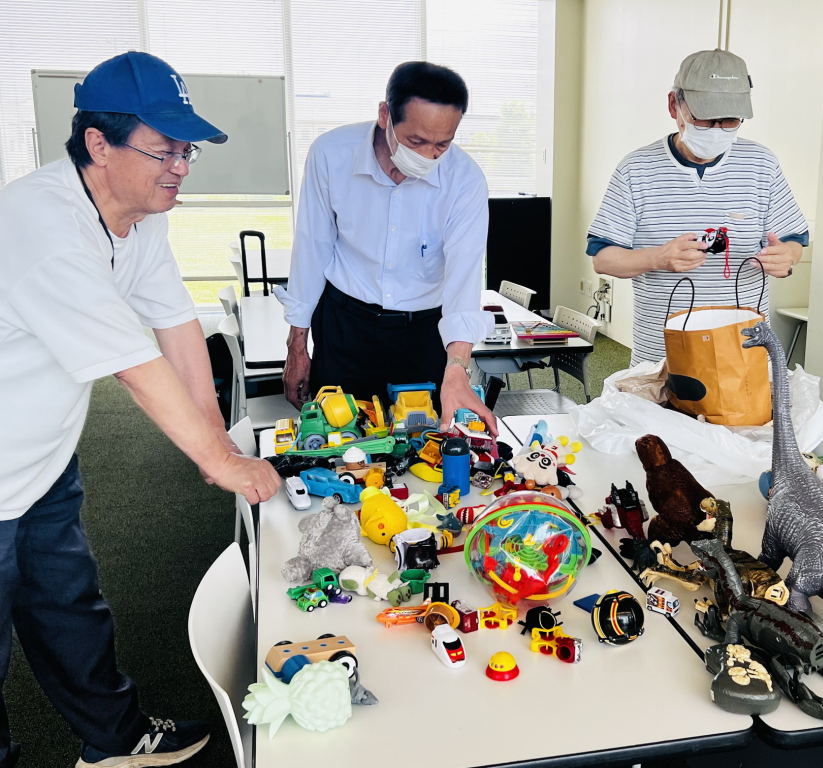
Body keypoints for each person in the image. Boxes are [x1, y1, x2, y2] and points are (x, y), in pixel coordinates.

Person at [0, 52, 280, 768]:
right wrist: (218, 462)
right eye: (164, 151)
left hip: (40, 463)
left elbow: (176, 325)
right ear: (98, 144)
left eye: (187, 151)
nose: (181, 168)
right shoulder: (42, 224)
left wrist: (220, 440)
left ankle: (115, 741)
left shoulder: (140, 216)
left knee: (70, 610)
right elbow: (135, 367)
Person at [278, 61, 498, 436]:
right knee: (338, 439)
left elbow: (463, 282)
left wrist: (457, 368)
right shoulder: (331, 155)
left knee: (420, 439)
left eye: (442, 144)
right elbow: (312, 251)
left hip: (422, 333)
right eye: (416, 142)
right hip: (345, 325)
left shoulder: (465, 180)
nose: (429, 156)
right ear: (385, 115)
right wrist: (296, 346)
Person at [589, 49, 809, 365]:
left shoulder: (762, 164)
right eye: (704, 117)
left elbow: (793, 242)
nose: (716, 129)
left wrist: (787, 256)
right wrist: (658, 258)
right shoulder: (636, 170)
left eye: (729, 120)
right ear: (673, 106)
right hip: (662, 357)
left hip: (743, 356)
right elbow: (603, 259)